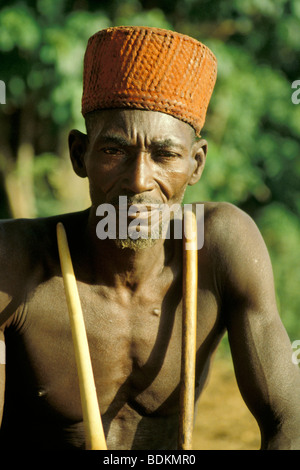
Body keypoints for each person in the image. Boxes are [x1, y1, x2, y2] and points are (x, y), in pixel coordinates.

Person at [0, 25, 300, 451]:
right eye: (113, 151)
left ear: (195, 165)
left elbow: (290, 422)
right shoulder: (14, 264)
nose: (140, 180)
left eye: (165, 156)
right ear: (78, 154)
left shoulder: (221, 247)